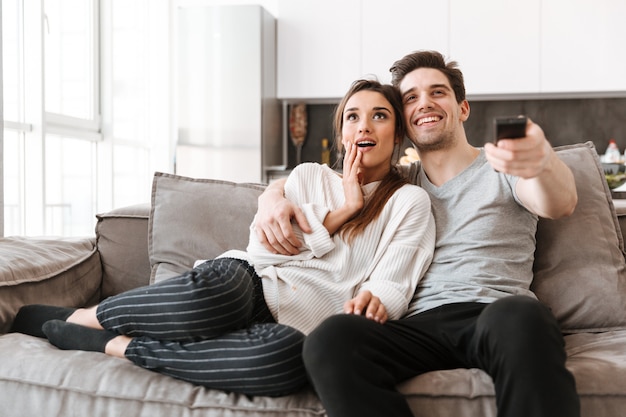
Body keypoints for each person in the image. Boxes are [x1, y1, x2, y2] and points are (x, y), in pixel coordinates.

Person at [11, 79, 436, 398]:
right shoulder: (309, 175)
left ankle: (118, 344)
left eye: (380, 115)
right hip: (250, 285)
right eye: (353, 116)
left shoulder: (409, 202)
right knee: (221, 294)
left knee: (285, 363)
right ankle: (85, 317)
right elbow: (263, 250)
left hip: (294, 327)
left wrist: (377, 300)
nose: (365, 126)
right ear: (342, 133)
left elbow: (393, 281)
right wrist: (343, 211)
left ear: (397, 136)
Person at [254, 50, 580, 416]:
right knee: (331, 340)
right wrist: (271, 196)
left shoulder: (501, 167)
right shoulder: (397, 190)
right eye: (411, 97)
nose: (424, 102)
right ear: (403, 124)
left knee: (523, 316)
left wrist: (543, 162)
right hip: (415, 325)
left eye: (438, 92)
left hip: (496, 313)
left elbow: (559, 203)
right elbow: (319, 182)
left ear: (463, 108)